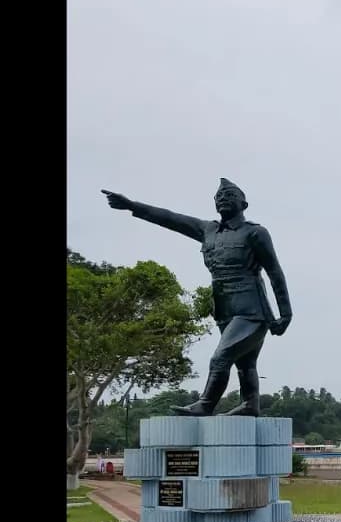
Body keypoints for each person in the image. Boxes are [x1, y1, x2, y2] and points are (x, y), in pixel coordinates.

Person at [102, 179, 292, 417]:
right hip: (224, 308)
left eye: (229, 195)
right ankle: (250, 404)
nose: (223, 198)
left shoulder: (255, 233)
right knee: (244, 363)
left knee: (221, 357)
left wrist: (285, 314)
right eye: (218, 197)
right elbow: (170, 218)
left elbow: (275, 272)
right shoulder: (208, 230)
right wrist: (132, 206)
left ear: (243, 203)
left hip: (251, 309)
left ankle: (206, 403)